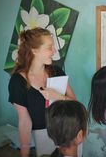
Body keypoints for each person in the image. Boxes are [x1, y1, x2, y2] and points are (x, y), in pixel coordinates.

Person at [8, 27, 76, 157]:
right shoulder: (17, 81)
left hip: (68, 130)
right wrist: (24, 152)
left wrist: (58, 96)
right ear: (34, 51)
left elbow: (75, 103)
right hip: (41, 137)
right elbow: (24, 121)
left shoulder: (57, 71)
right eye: (49, 47)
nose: (54, 51)